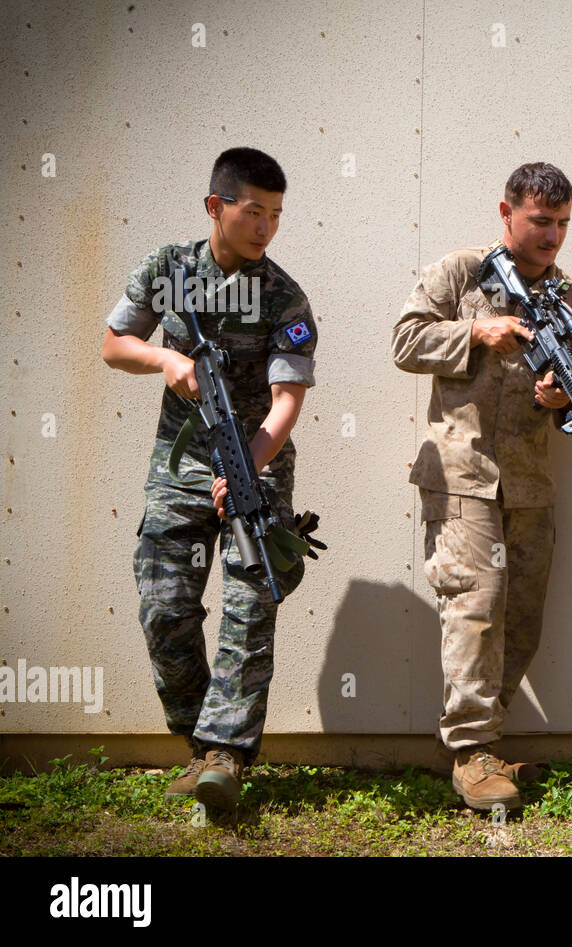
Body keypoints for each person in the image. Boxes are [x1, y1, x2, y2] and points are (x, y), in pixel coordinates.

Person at [101, 147, 317, 812]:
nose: (265, 228)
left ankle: (226, 754)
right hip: (179, 462)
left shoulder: (284, 295)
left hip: (256, 460)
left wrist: (247, 464)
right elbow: (114, 344)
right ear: (215, 206)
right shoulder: (169, 270)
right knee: (163, 605)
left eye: (276, 215)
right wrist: (165, 357)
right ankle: (200, 744)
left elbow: (286, 403)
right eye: (254, 211)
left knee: (250, 604)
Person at [391, 162, 572, 812]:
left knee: (522, 619)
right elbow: (404, 339)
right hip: (462, 477)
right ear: (507, 212)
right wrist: (475, 332)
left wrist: (562, 395)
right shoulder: (461, 273)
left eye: (563, 223)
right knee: (475, 608)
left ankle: (485, 742)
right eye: (542, 221)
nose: (553, 236)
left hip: (530, 484)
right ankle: (471, 750)